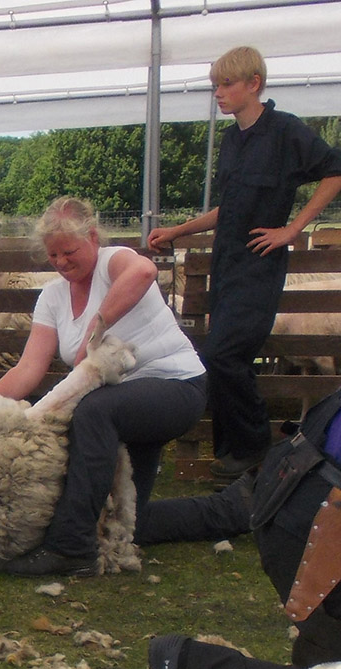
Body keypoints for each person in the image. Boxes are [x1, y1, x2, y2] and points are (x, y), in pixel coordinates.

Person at [0, 196, 208, 577]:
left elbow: (145, 271)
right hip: (127, 404)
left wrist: (97, 324)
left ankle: (72, 549)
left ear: (93, 237)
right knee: (130, 525)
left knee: (93, 411)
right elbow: (29, 367)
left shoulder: (113, 262)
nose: (62, 262)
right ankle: (239, 508)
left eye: (69, 251)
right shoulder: (52, 297)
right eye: (53, 256)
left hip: (176, 386)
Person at [147, 46, 341, 482]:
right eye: (215, 85)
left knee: (224, 354)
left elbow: (336, 171)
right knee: (218, 358)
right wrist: (178, 231)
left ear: (253, 84)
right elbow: (228, 206)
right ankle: (234, 457)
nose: (218, 93)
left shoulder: (287, 131)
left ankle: (255, 449)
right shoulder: (233, 140)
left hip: (260, 263)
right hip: (226, 262)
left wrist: (293, 229)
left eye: (226, 84)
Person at [149, 385, 341, 669]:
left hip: (291, 477)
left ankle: (191, 663)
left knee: (217, 511)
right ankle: (196, 667)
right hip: (313, 519)